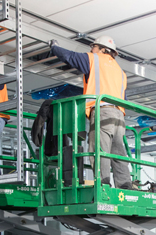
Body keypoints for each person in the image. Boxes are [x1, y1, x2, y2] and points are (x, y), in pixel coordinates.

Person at [50, 37, 132, 189]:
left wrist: (54, 47)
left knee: (99, 149)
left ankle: (103, 186)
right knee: (118, 151)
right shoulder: (121, 72)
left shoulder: (94, 59)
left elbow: (70, 56)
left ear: (102, 49)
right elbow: (124, 98)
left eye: (93, 47)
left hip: (102, 111)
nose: (91, 50)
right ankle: (125, 185)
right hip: (119, 116)